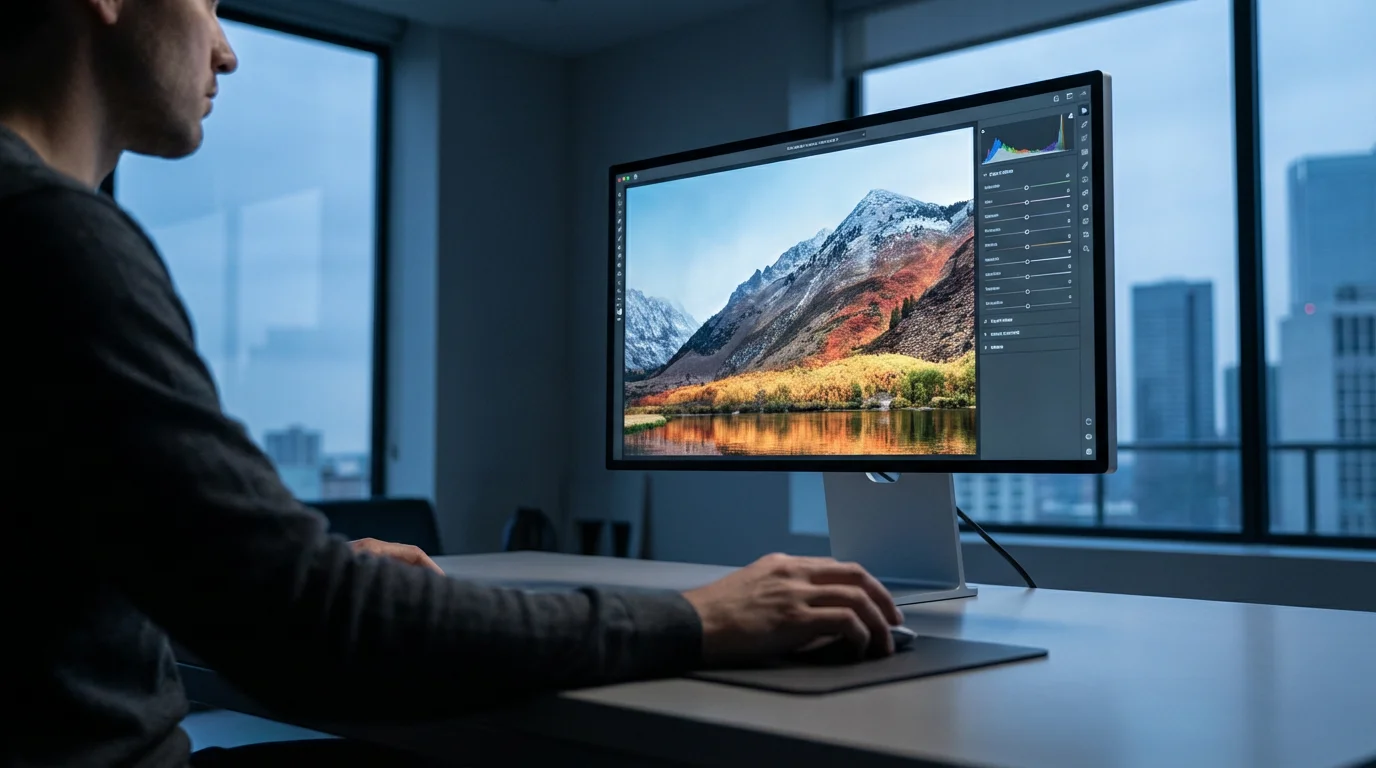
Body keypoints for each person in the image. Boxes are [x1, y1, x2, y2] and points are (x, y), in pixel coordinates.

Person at [0, 1, 904, 766]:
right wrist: (698, 618)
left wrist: (268, 569)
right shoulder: (57, 241)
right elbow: (314, 635)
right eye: (207, 3)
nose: (225, 50)